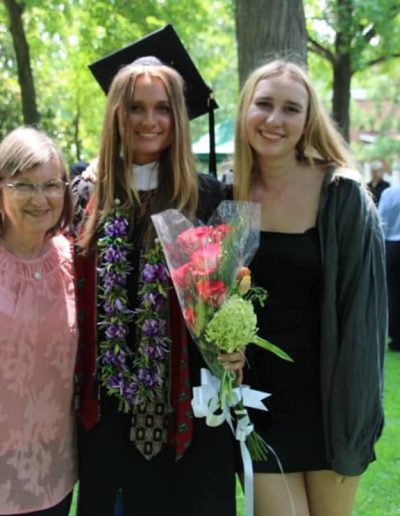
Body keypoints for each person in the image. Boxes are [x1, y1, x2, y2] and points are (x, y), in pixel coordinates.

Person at [72, 26, 242, 516]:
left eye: (163, 108)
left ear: (178, 117)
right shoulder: (86, 197)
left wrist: (235, 343)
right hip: (106, 416)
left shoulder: (208, 197)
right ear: (116, 114)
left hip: (191, 414)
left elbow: (229, 296)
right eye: (136, 107)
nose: (150, 121)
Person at [232, 60, 387, 516]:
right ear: (245, 110)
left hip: (329, 405)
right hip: (258, 403)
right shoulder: (230, 193)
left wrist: (355, 421)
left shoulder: (342, 195)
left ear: (308, 120)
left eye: (290, 109)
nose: (274, 119)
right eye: (264, 104)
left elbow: (365, 320)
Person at [0, 127, 77, 515]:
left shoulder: (74, 260)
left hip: (55, 469)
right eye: (24, 186)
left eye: (51, 185)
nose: (40, 198)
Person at [378, 185, 400, 351]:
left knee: (392, 293)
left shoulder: (390, 192)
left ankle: (396, 337)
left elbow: (380, 220)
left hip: (392, 247)